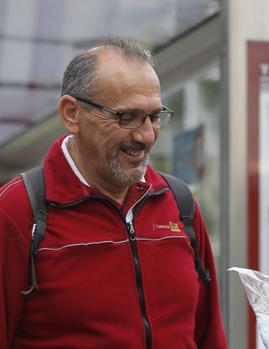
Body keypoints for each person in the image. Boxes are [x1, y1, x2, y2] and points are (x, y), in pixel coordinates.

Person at [0, 38, 227, 348]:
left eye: (154, 116)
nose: (146, 135)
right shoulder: (17, 213)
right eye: (126, 117)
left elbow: (209, 336)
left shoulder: (179, 203)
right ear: (71, 114)